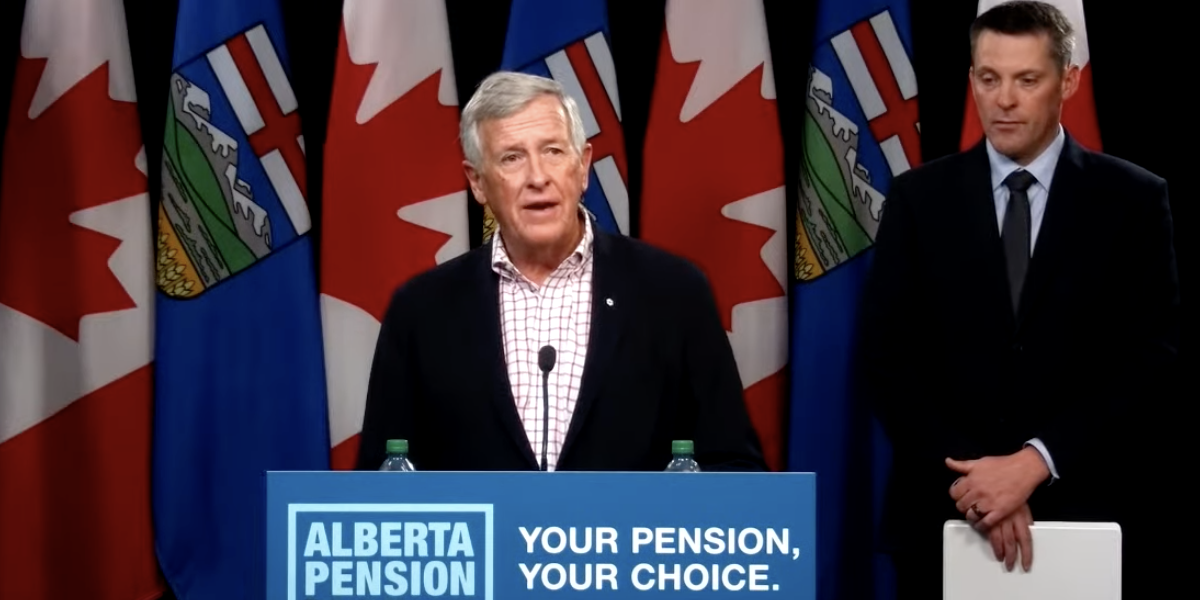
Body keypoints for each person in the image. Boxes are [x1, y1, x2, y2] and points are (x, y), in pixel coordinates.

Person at [856, 1, 1179, 596]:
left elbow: (1146, 359)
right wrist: (981, 486)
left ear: (1069, 81)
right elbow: (888, 360)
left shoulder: (1131, 199)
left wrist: (1034, 463)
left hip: (1086, 511)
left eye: (1027, 79)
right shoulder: (917, 199)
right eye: (989, 78)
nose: (1004, 99)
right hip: (943, 515)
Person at [354, 71, 766, 474]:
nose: (538, 177)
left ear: (583, 166)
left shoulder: (672, 292)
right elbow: (381, 484)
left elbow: (734, 466)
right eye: (512, 158)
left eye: (553, 151)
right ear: (478, 183)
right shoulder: (422, 311)